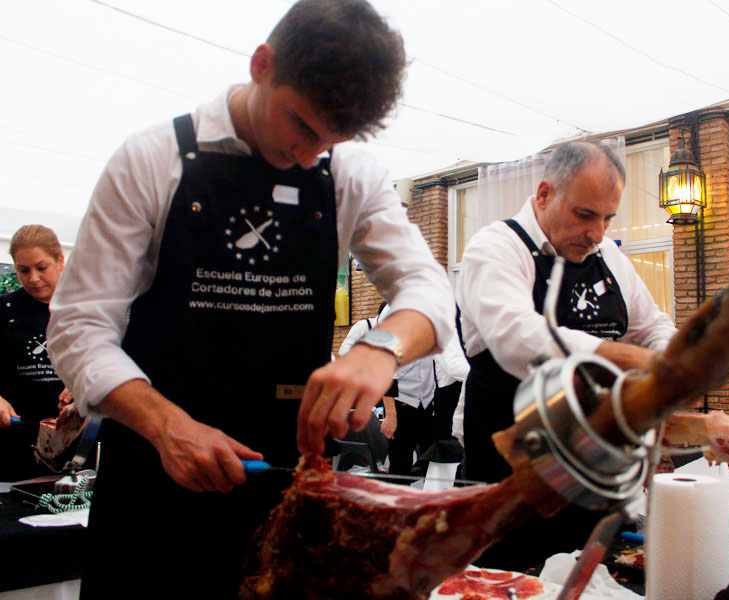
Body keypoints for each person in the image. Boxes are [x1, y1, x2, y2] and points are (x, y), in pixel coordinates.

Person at [46, 1, 453, 597]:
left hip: (279, 485)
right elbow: (79, 327)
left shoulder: (350, 175)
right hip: (151, 480)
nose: (312, 155)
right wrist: (165, 427)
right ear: (262, 65)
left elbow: (428, 288)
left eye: (333, 140)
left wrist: (381, 348)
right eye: (304, 127)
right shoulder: (150, 160)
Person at [456, 140, 677, 569]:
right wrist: (622, 358)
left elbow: (653, 325)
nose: (596, 232)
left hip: (594, 483)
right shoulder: (496, 248)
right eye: (585, 215)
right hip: (511, 485)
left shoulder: (609, 256)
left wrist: (671, 364)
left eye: (607, 217)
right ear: (544, 194)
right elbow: (516, 336)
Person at [0, 225, 73, 482]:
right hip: (13, 451)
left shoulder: (88, 309)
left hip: (76, 454)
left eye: (41, 268)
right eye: (23, 270)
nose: (33, 278)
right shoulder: (5, 310)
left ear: (60, 260)